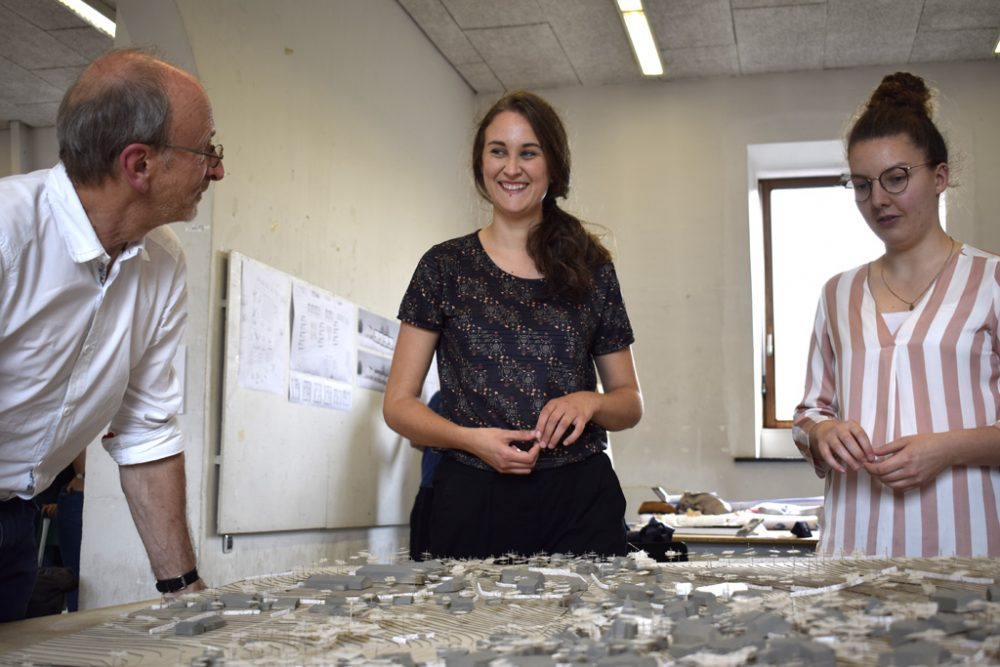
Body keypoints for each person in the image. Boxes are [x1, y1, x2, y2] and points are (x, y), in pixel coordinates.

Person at [0, 48, 225, 621]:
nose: (217, 169)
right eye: (206, 152)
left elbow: (145, 435)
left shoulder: (161, 262)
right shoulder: (8, 232)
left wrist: (183, 593)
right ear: (139, 164)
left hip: (17, 523)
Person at [384, 91, 643, 560]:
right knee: (471, 632)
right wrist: (469, 439)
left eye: (529, 153)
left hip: (579, 501)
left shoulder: (591, 267)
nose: (512, 168)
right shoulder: (443, 267)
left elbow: (629, 404)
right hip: (471, 495)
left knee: (589, 632)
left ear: (553, 166)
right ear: (480, 162)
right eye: (498, 151)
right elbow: (398, 407)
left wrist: (588, 401)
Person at [793, 72, 1000, 558]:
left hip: (966, 546)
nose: (878, 199)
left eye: (896, 178)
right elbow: (809, 414)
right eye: (862, 185)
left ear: (940, 177)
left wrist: (945, 450)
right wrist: (822, 433)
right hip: (854, 544)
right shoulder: (837, 293)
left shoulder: (990, 282)